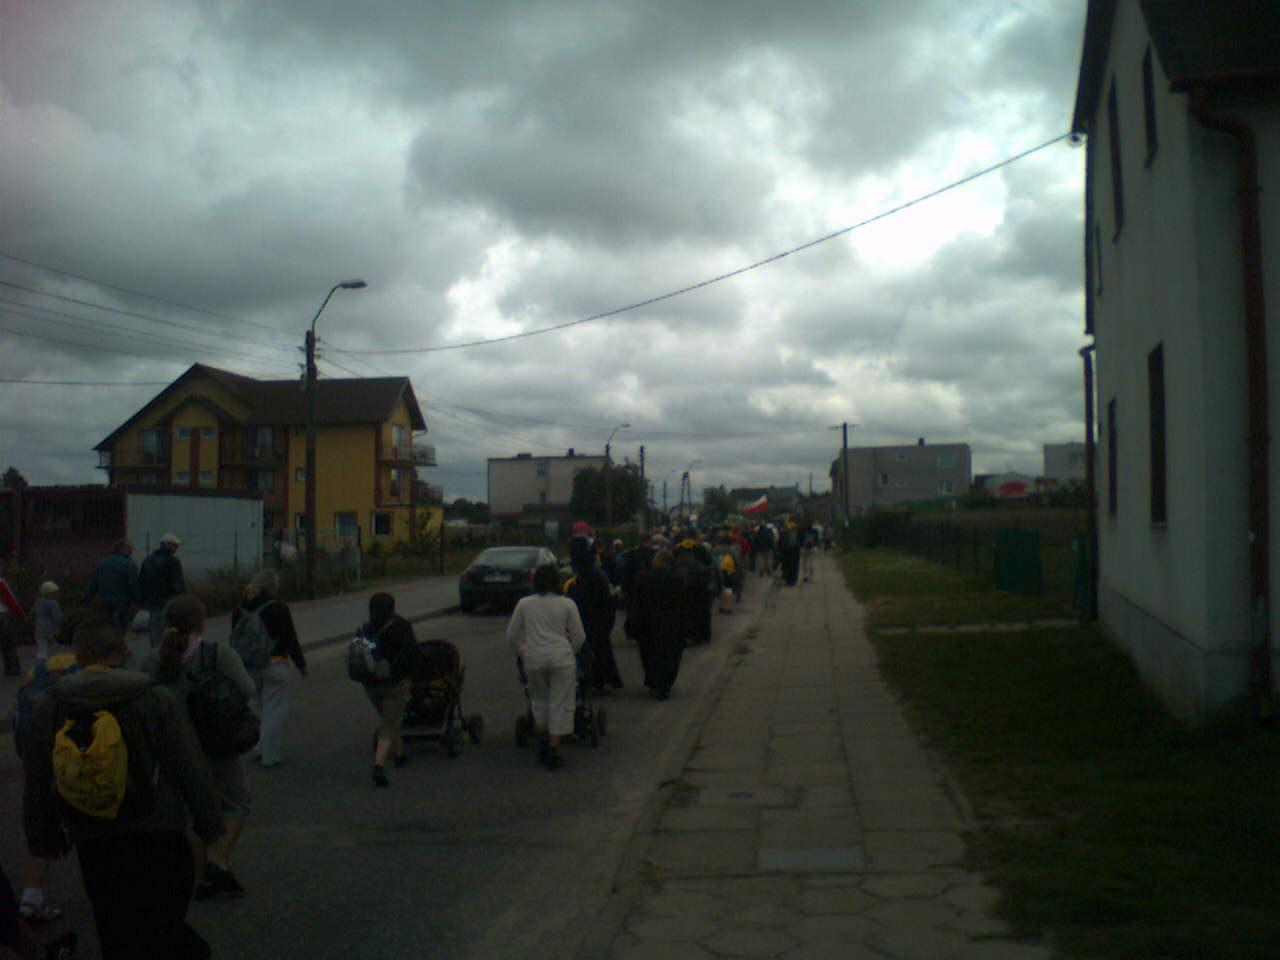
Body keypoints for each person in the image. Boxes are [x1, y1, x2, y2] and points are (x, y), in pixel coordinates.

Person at [23, 615, 224, 960]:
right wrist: (209, 822)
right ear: (123, 651)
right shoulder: (154, 697)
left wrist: (43, 837)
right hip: (157, 828)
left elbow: (38, 778)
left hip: (93, 836)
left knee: (113, 925)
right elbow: (189, 765)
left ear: (78, 655)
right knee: (165, 921)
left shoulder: (51, 705)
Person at [140, 594, 253, 901]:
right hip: (216, 742)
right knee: (236, 803)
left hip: (173, 747)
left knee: (193, 813)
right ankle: (219, 861)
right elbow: (246, 689)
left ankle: (201, 879)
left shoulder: (151, 660)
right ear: (201, 623)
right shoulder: (218, 654)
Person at [506, 564, 585, 769]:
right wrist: (570, 650)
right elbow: (579, 636)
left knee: (538, 699)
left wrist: (522, 650)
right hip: (561, 656)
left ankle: (541, 741)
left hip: (534, 656)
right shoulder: (567, 604)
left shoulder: (525, 604)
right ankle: (553, 748)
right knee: (560, 701)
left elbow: (512, 635)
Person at [233, 570, 307, 768]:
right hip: (275, 663)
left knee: (258, 707)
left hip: (249, 666)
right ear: (272, 585)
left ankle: (259, 747)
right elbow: (290, 638)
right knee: (274, 710)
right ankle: (270, 754)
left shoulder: (240, 609)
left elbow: (235, 639)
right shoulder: (278, 608)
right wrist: (301, 664)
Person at [361, 592, 421, 787]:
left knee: (390, 719)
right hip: (393, 684)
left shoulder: (367, 628)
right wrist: (410, 676)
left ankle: (400, 754)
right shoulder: (401, 626)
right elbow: (413, 652)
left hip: (371, 686)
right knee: (389, 724)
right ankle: (378, 766)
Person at [627, 550, 685, 700]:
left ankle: (653, 681)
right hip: (670, 623)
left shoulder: (642, 577)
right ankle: (664, 684)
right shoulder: (677, 579)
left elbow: (635, 601)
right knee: (670, 655)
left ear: (656, 560)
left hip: (647, 622)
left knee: (649, 654)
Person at [566, 551, 623, 693]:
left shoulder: (585, 577)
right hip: (599, 620)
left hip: (590, 620)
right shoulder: (597, 574)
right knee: (600, 651)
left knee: (593, 652)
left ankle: (595, 681)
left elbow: (579, 598)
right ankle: (602, 680)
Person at [82, 540, 139, 634]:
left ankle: (108, 638)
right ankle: (118, 639)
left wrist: (86, 598)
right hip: (122, 600)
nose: (131, 551)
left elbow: (93, 582)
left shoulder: (102, 563)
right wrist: (138, 599)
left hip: (104, 599)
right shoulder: (130, 564)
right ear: (122, 549)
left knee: (106, 624)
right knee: (120, 625)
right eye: (129, 548)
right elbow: (133, 584)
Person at [138, 534, 185, 647]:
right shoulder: (172, 561)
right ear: (167, 545)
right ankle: (168, 648)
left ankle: (155, 647)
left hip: (151, 599)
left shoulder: (148, 560)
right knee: (170, 625)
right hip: (169, 599)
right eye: (175, 545)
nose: (176, 548)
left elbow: (141, 580)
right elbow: (177, 582)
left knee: (155, 623)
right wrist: (182, 597)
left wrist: (142, 599)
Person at [1, 575, 27, 676]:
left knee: (4, 644)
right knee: (8, 643)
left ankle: (9, 667)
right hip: (2, 615)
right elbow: (10, 600)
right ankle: (12, 667)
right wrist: (22, 615)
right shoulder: (1, 583)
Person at [30, 584, 62, 665]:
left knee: (41, 648)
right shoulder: (53, 603)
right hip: (51, 629)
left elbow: (32, 614)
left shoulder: (38, 602)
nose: (57, 594)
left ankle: (40, 664)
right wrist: (60, 624)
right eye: (55, 592)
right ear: (49, 593)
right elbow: (57, 617)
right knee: (56, 646)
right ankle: (57, 663)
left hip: (39, 628)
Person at [777, 518, 802, 587]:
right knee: (793, 566)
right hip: (794, 551)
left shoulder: (784, 531)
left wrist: (779, 551)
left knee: (786, 565)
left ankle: (786, 579)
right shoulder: (797, 531)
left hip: (787, 551)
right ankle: (791, 580)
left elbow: (780, 542)